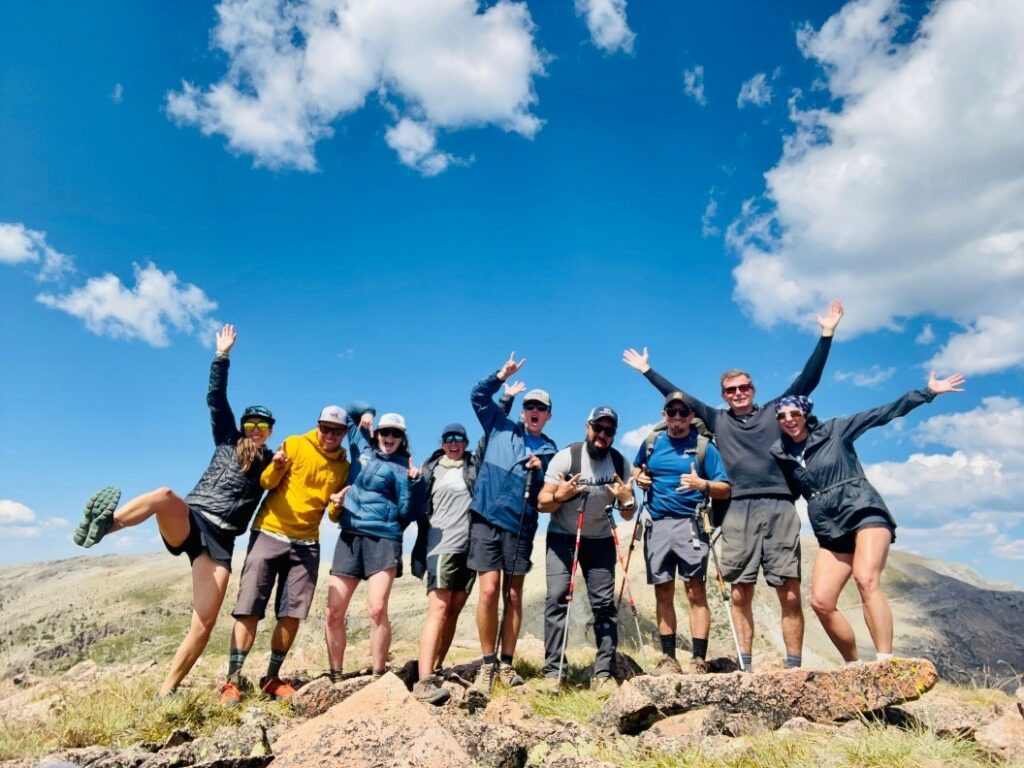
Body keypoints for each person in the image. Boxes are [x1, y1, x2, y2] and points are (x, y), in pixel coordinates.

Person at [623, 299, 844, 671]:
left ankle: (792, 667)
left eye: (743, 388)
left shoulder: (777, 412)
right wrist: (648, 371)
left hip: (779, 506)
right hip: (738, 508)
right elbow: (680, 400)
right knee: (740, 591)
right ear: (724, 395)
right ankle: (746, 666)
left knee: (789, 593)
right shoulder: (717, 421)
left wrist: (826, 335)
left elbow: (808, 380)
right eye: (731, 390)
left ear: (753, 389)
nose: (738, 393)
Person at [73, 324, 273, 697]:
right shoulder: (228, 439)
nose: (256, 429)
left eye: (263, 425)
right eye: (252, 423)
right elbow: (216, 398)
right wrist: (222, 356)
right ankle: (104, 527)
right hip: (192, 519)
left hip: (221, 542)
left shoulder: (273, 463)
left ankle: (167, 691)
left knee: (204, 623)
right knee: (164, 494)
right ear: (244, 426)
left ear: (270, 430)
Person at [769, 372, 965, 663]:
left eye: (794, 412)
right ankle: (855, 666)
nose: (788, 419)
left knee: (865, 578)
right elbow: (786, 490)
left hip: (863, 511)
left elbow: (882, 414)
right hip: (829, 527)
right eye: (781, 415)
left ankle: (885, 661)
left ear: (806, 413)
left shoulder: (836, 430)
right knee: (821, 601)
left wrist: (927, 392)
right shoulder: (782, 453)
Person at [220, 405, 350, 705]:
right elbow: (267, 482)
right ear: (317, 425)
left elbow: (330, 515)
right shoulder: (294, 444)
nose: (329, 434)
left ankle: (272, 678)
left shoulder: (342, 466)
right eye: (325, 427)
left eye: (336, 430)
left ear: (344, 433)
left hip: (306, 544)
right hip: (269, 532)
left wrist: (338, 505)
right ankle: (232, 680)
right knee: (249, 607)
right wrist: (277, 465)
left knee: (292, 614)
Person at [468, 352, 558, 690]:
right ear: (523, 411)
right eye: (530, 406)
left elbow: (553, 491)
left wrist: (540, 471)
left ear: (548, 416)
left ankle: (507, 664)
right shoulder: (499, 425)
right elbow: (477, 396)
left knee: (514, 596)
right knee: (489, 591)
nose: (534, 412)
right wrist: (500, 377)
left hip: (521, 523)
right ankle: (487, 664)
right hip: (486, 517)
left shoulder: (551, 450)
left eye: (541, 409)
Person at [537, 406, 636, 691]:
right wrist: (561, 495)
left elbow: (628, 512)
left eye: (609, 431)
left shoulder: (619, 463)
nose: (602, 435)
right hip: (562, 538)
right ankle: (553, 673)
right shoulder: (567, 457)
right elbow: (543, 504)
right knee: (557, 598)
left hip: (601, 540)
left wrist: (627, 500)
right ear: (587, 427)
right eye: (598, 428)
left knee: (604, 605)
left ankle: (603, 673)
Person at [631, 395, 730, 674]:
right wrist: (638, 476)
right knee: (663, 592)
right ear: (664, 413)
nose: (676, 417)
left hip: (692, 524)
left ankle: (698, 659)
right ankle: (668, 659)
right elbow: (637, 467)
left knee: (695, 591)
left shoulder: (704, 448)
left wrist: (703, 484)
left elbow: (725, 488)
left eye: (682, 412)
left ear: (691, 415)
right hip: (658, 524)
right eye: (671, 411)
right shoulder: (652, 443)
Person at [324, 412, 422, 687]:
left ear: (402, 438)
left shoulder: (404, 468)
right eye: (385, 432)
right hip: (350, 536)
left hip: (383, 539)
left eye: (396, 434)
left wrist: (415, 484)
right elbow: (351, 410)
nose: (389, 438)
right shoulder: (361, 449)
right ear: (377, 433)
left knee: (377, 609)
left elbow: (408, 512)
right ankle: (336, 677)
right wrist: (367, 412)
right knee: (333, 611)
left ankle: (379, 676)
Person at [408, 422, 480, 705]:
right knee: (438, 607)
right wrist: (413, 482)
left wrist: (506, 400)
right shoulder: (431, 469)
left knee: (453, 610)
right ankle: (424, 680)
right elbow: (413, 505)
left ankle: (436, 667)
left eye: (459, 439)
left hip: (468, 548)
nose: (454, 443)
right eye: (449, 438)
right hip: (440, 546)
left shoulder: (473, 466)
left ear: (465, 442)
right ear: (442, 442)